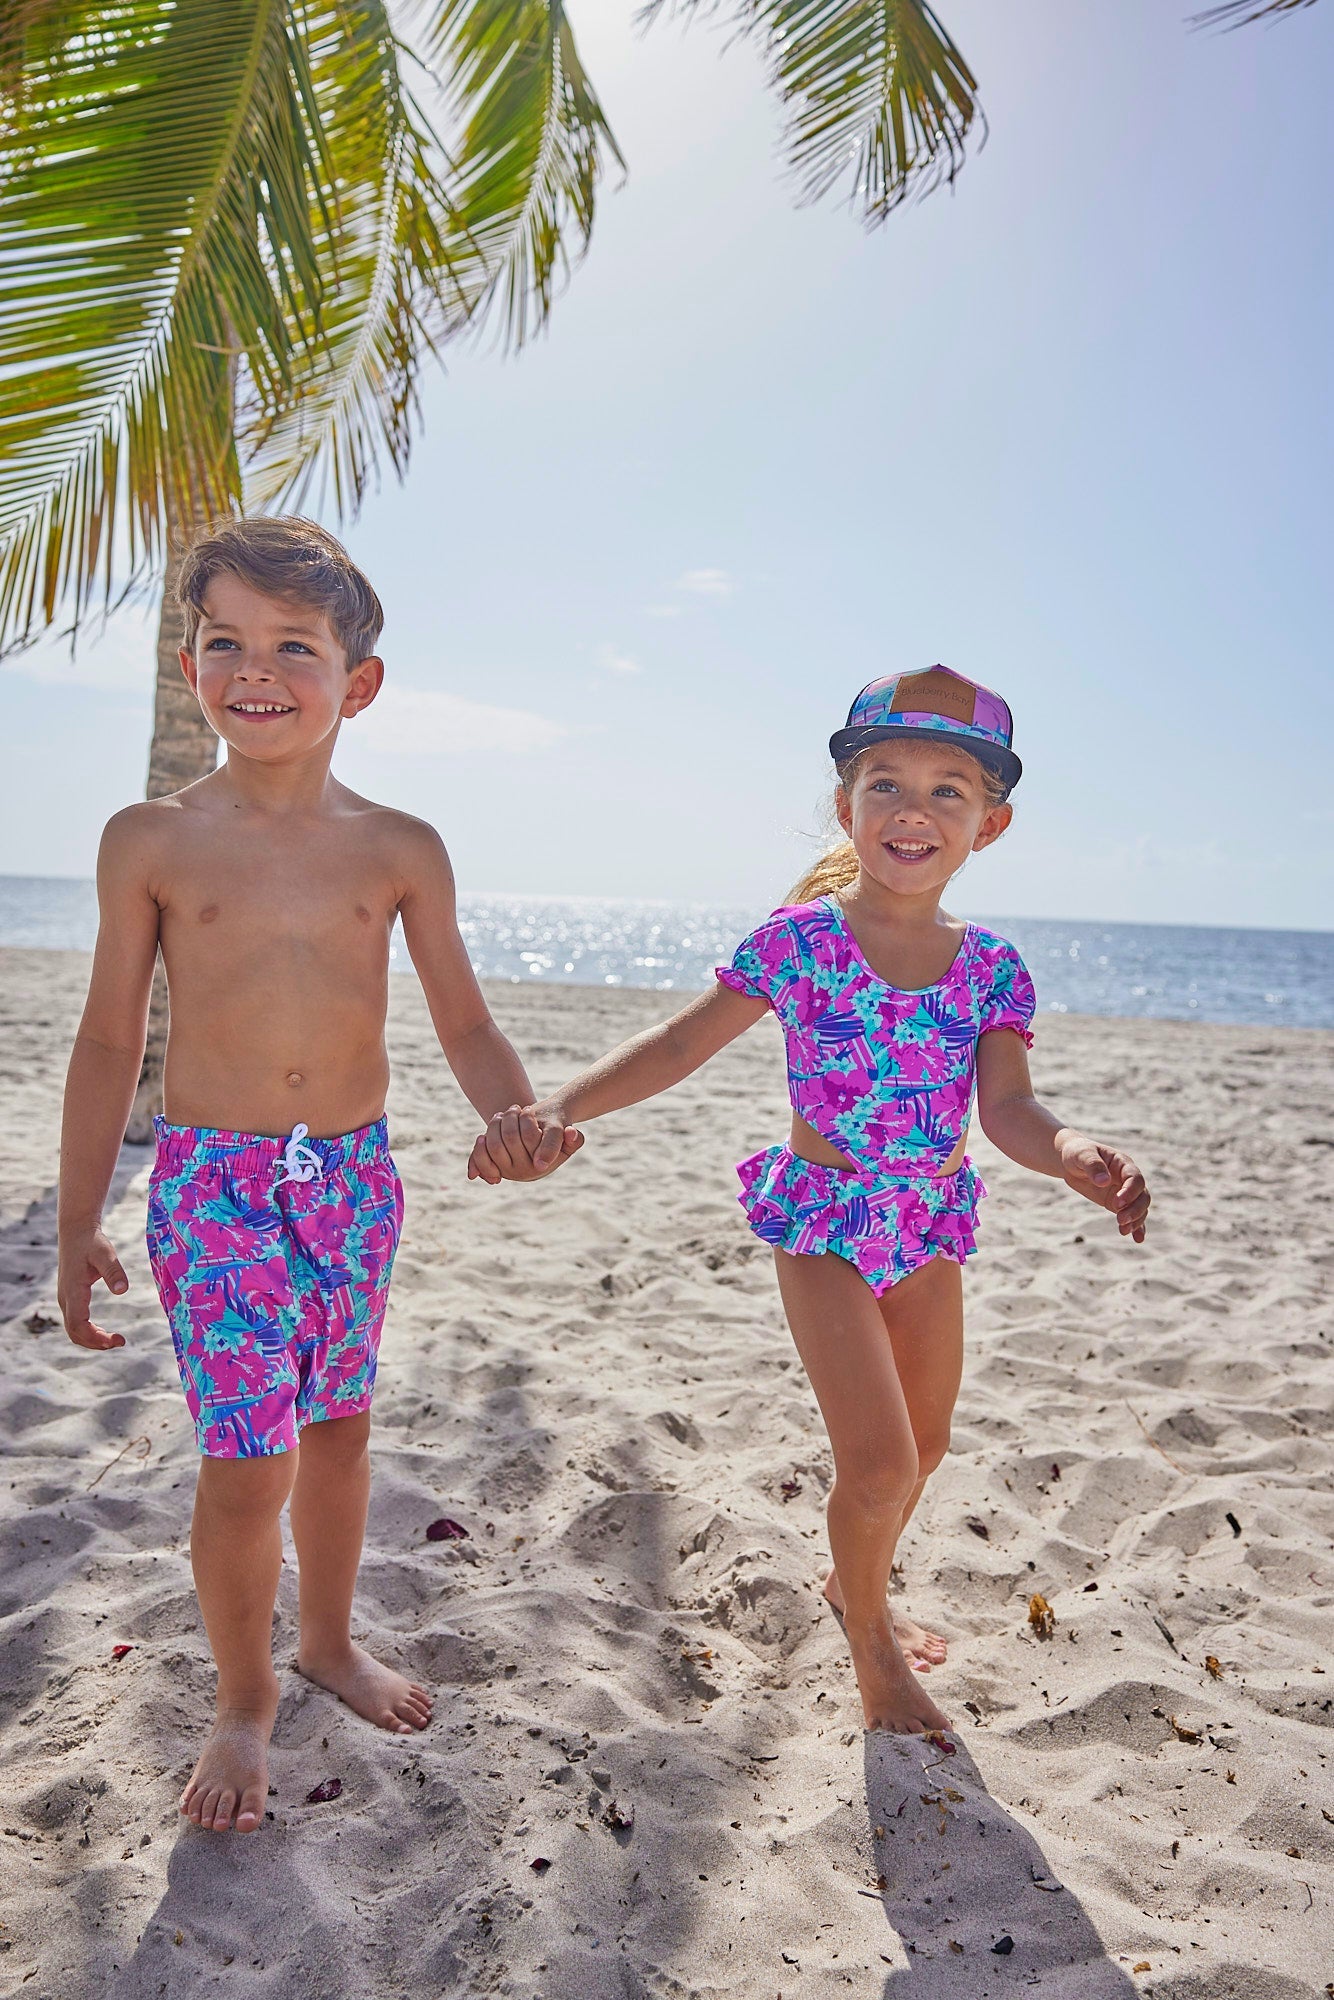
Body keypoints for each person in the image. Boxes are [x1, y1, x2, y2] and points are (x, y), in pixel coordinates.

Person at [467, 667, 1150, 1735]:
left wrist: (1069, 1149)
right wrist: (555, 1105)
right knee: (875, 1459)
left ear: (991, 824)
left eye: (946, 791)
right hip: (824, 1221)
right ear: (846, 806)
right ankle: (870, 1641)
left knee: (923, 1453)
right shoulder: (799, 941)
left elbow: (1007, 1106)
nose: (911, 810)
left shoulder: (989, 970)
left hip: (925, 1227)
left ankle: (850, 1581)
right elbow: (678, 1043)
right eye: (884, 784)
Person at [56, 517, 579, 1832]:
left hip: (349, 1181)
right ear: (193, 668)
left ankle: (329, 1641)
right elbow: (113, 1035)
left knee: (340, 1429)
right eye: (224, 640)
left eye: (294, 643)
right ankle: (243, 1702)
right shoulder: (150, 841)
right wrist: (77, 1223)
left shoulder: (399, 848)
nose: (257, 668)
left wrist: (514, 1110)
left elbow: (460, 1019)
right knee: (248, 1460)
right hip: (211, 1188)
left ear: (358, 683)